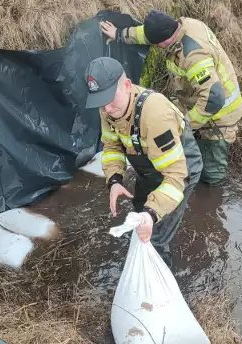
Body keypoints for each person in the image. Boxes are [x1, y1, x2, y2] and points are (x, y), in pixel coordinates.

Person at [100, 10, 242, 186]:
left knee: (211, 175)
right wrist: (120, 34)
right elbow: (146, 35)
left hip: (220, 114)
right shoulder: (182, 25)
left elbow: (213, 99)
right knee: (187, 155)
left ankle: (211, 200)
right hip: (193, 101)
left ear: (164, 40)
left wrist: (185, 125)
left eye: (156, 43)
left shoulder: (193, 57)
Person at [85, 57, 202, 268]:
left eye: (111, 99)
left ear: (128, 86)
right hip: (148, 171)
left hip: (179, 172)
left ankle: (161, 285)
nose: (107, 109)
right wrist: (114, 181)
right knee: (138, 212)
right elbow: (111, 147)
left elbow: (176, 177)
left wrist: (152, 214)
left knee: (154, 235)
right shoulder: (107, 109)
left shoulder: (156, 115)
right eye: (101, 102)